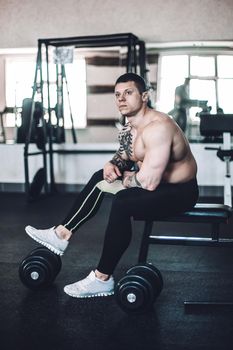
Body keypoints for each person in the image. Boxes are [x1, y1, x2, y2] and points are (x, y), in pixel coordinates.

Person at [25, 73, 199, 299]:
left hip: (180, 192)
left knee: (122, 202)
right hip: (154, 185)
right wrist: (112, 164)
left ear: (144, 96)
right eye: (117, 94)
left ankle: (102, 278)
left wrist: (126, 180)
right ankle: (62, 234)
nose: (121, 99)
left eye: (128, 93)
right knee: (101, 177)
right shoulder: (129, 127)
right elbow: (125, 156)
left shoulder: (159, 127)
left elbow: (148, 181)